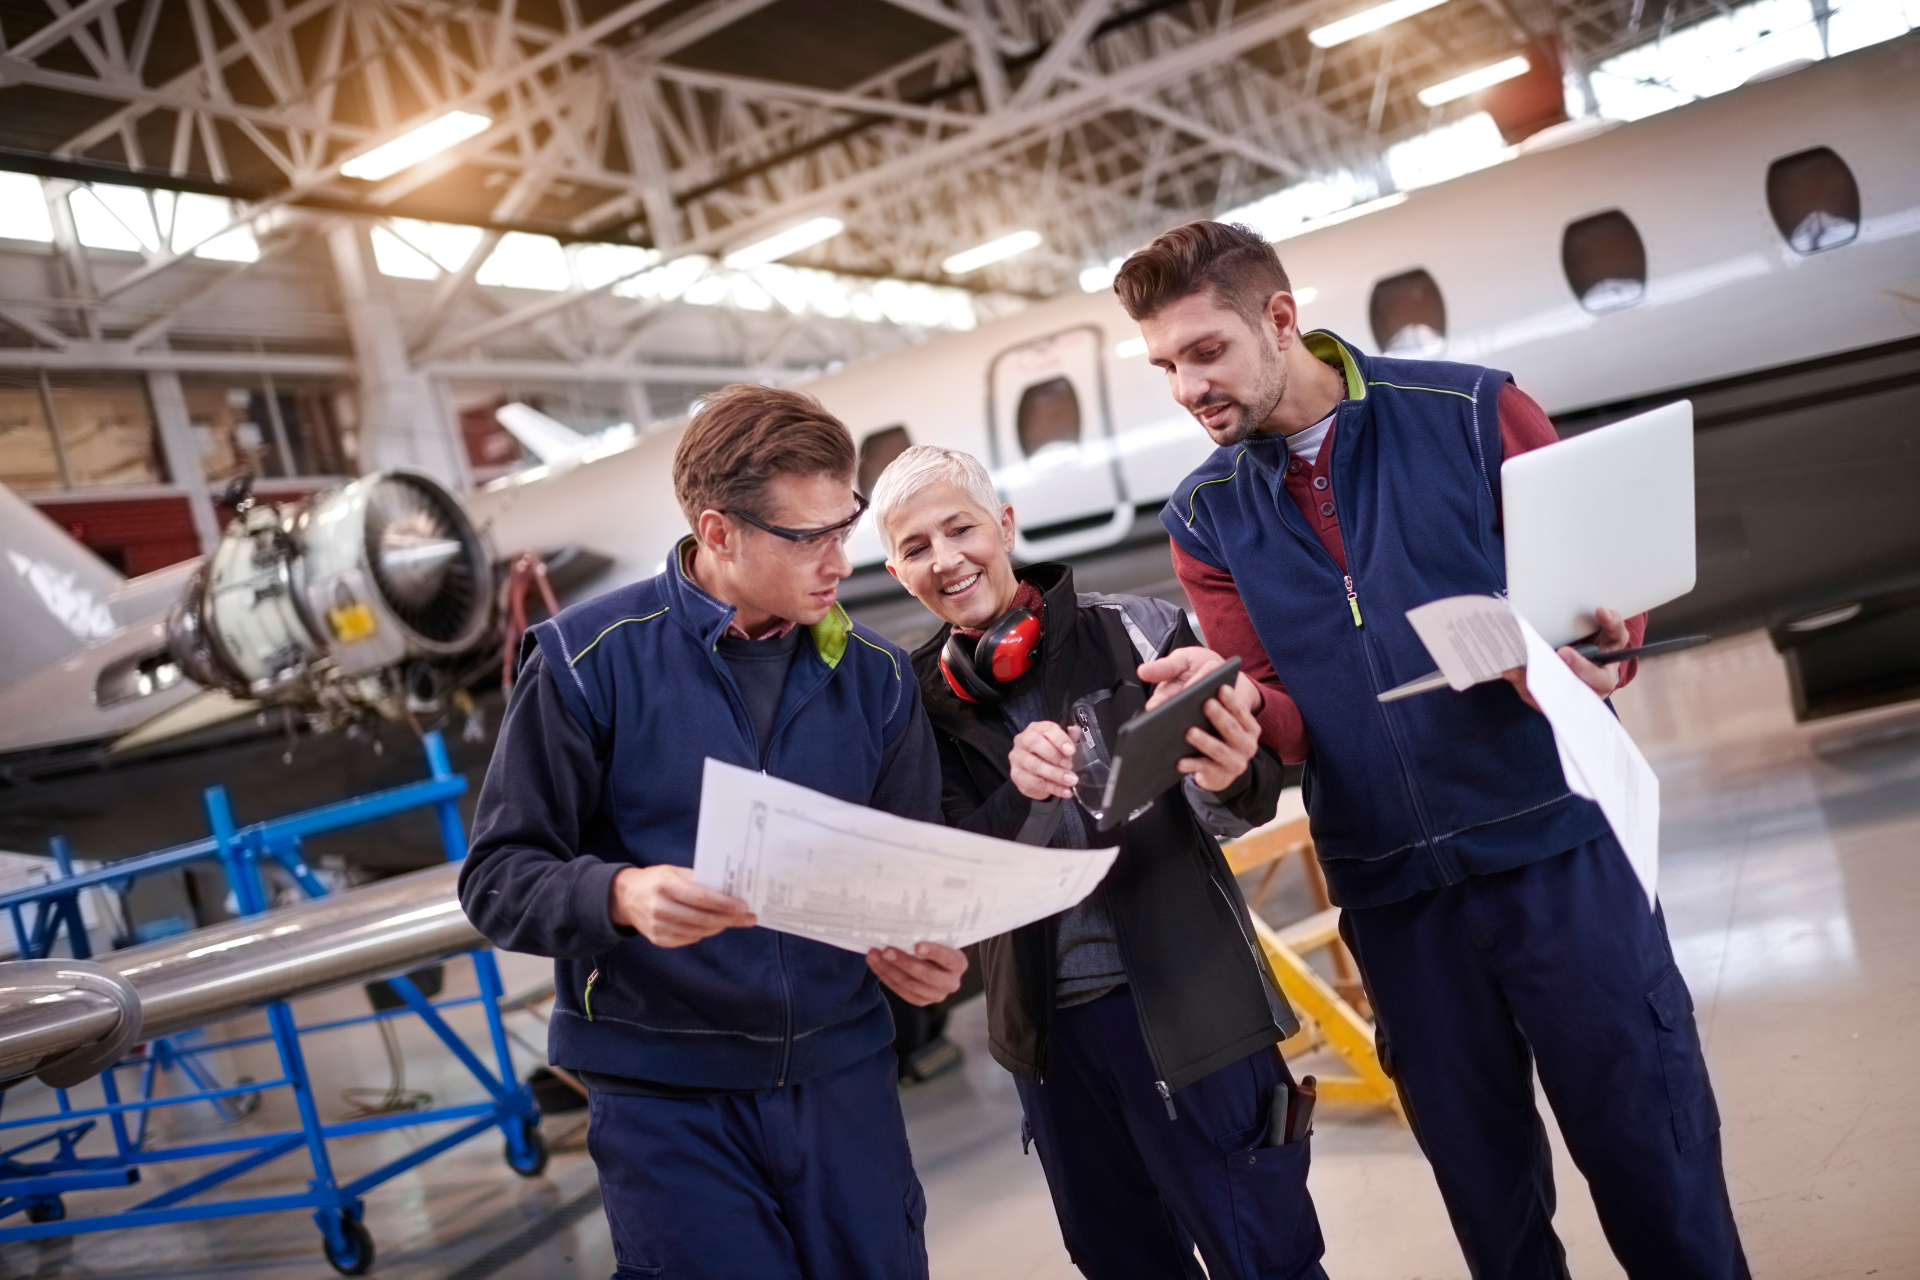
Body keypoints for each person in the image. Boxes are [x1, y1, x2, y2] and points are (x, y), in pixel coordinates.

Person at [1117, 220, 1748, 1279]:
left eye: (1205, 351)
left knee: (1656, 1161)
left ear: (1281, 318)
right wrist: (1222, 718)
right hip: (1398, 901)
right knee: (1491, 1213)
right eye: (1165, 366)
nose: (1187, 386)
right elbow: (1280, 706)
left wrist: (1594, 643)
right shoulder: (1207, 516)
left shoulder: (1465, 411)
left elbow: (1603, 595)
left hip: (1558, 852)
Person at [458, 385, 967, 1280]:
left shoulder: (879, 677)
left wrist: (934, 955)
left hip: (841, 1081)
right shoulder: (587, 664)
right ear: (719, 532)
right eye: (809, 538)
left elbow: (912, 869)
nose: (840, 561)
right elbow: (498, 877)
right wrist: (617, 894)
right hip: (667, 1099)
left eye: (844, 527)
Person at [872, 443, 1328, 1280]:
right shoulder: (910, 709)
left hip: (1196, 1007)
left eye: (959, 528)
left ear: (1004, 525)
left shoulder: (1138, 629)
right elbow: (943, 878)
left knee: (1268, 1256)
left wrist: (1232, 772)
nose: (944, 560)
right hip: (1051, 1044)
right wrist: (1018, 795)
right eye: (914, 548)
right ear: (896, 572)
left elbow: (1254, 790)